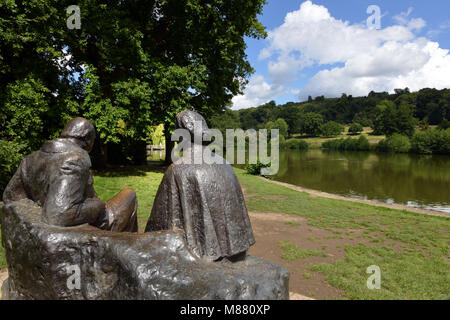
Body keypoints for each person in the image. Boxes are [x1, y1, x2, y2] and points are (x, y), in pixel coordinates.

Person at [145, 110, 255, 262]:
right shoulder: (224, 164)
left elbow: (157, 230)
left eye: (176, 129)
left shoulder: (177, 170)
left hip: (202, 260)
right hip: (237, 251)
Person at [3, 117, 138, 232]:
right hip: (89, 227)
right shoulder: (74, 160)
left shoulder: (30, 159)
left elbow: (10, 196)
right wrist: (99, 205)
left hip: (47, 223)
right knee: (129, 195)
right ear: (87, 138)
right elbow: (59, 215)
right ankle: (123, 248)